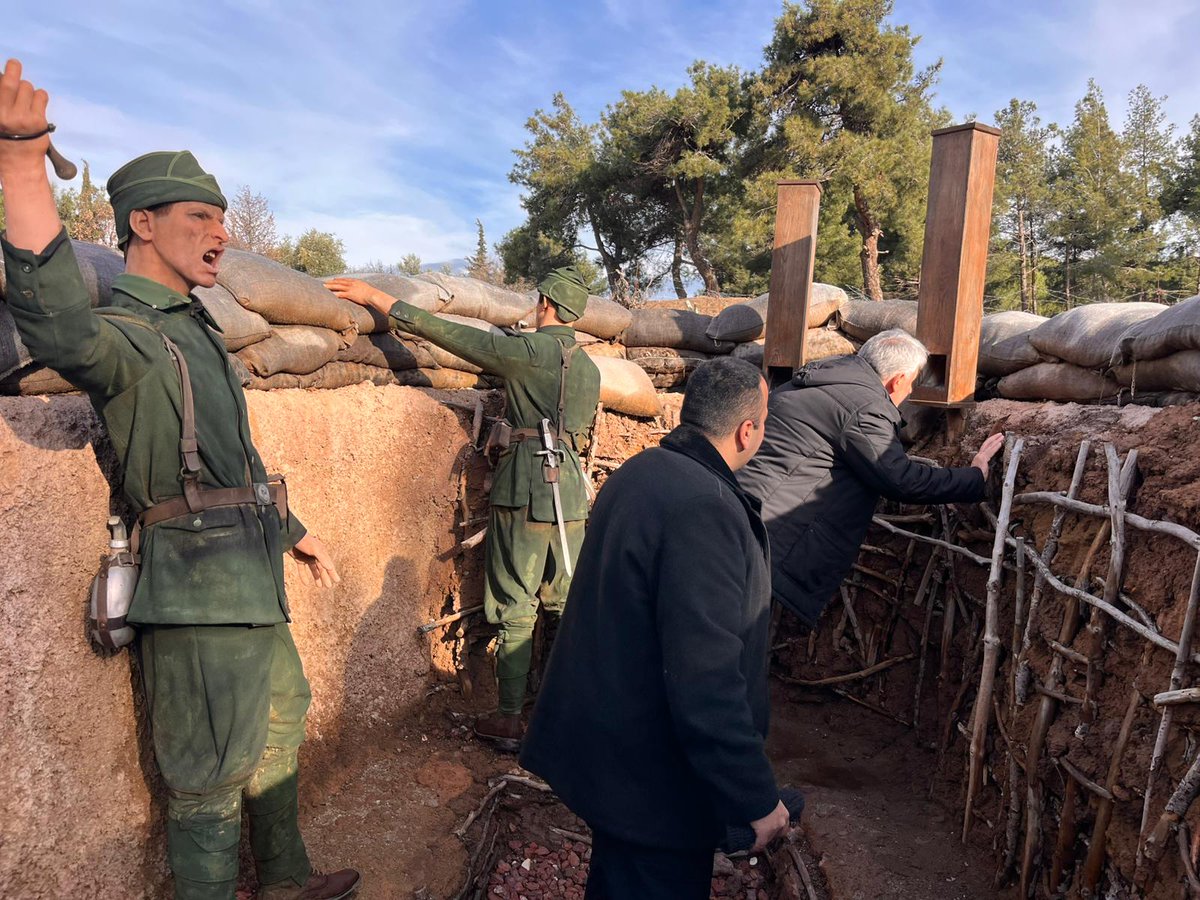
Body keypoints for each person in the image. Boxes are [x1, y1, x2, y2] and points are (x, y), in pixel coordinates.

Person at [0, 61, 359, 900]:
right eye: (200, 216)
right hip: (194, 591)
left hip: (251, 579)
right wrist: (21, 168)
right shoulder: (126, 334)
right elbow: (58, 329)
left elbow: (238, 460)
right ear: (142, 224)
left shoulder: (197, 332)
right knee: (205, 778)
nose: (221, 232)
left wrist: (295, 529)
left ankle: (285, 878)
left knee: (280, 724)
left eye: (223, 217)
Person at [520, 357, 790, 899]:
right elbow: (705, 675)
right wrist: (755, 795)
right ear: (747, 430)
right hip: (653, 781)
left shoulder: (642, 472)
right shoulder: (703, 509)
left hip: (614, 754)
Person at [326, 267, 601, 749]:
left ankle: (511, 720)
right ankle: (570, 710)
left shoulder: (528, 352)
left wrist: (377, 297)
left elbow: (452, 335)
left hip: (526, 487)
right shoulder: (591, 368)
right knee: (565, 601)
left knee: (517, 604)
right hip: (571, 494)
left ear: (546, 305)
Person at [737, 328, 1005, 628]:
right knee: (740, 647)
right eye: (912, 382)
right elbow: (900, 478)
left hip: (741, 523)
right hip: (771, 544)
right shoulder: (864, 407)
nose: (909, 392)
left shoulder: (813, 381)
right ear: (898, 380)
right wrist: (973, 476)